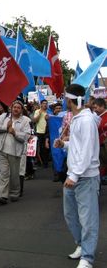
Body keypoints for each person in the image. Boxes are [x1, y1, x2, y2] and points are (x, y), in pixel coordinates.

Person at [54, 84, 100, 268]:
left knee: (88, 220)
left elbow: (87, 151)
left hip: (85, 177)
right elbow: (79, 144)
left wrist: (73, 175)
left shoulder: (86, 121)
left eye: (66, 98)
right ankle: (81, 245)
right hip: (74, 175)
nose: (64, 100)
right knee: (71, 215)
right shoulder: (77, 118)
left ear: (72, 100)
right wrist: (64, 145)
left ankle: (87, 257)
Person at [0, 100, 31, 205]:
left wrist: (15, 133)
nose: (16, 109)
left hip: (15, 151)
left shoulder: (25, 121)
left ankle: (14, 193)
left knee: (14, 174)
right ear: (11, 108)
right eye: (14, 107)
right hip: (1, 149)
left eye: (18, 107)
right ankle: (3, 196)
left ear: (21, 110)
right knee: (4, 173)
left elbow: (26, 136)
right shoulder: (4, 117)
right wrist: (6, 127)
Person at [33, 100, 49, 168]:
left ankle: (45, 163)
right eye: (43, 104)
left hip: (46, 132)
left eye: (46, 104)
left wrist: (48, 119)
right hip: (39, 132)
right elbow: (34, 121)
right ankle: (40, 161)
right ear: (41, 104)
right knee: (39, 148)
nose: (45, 105)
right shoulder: (37, 111)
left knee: (46, 148)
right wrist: (39, 114)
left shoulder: (48, 112)